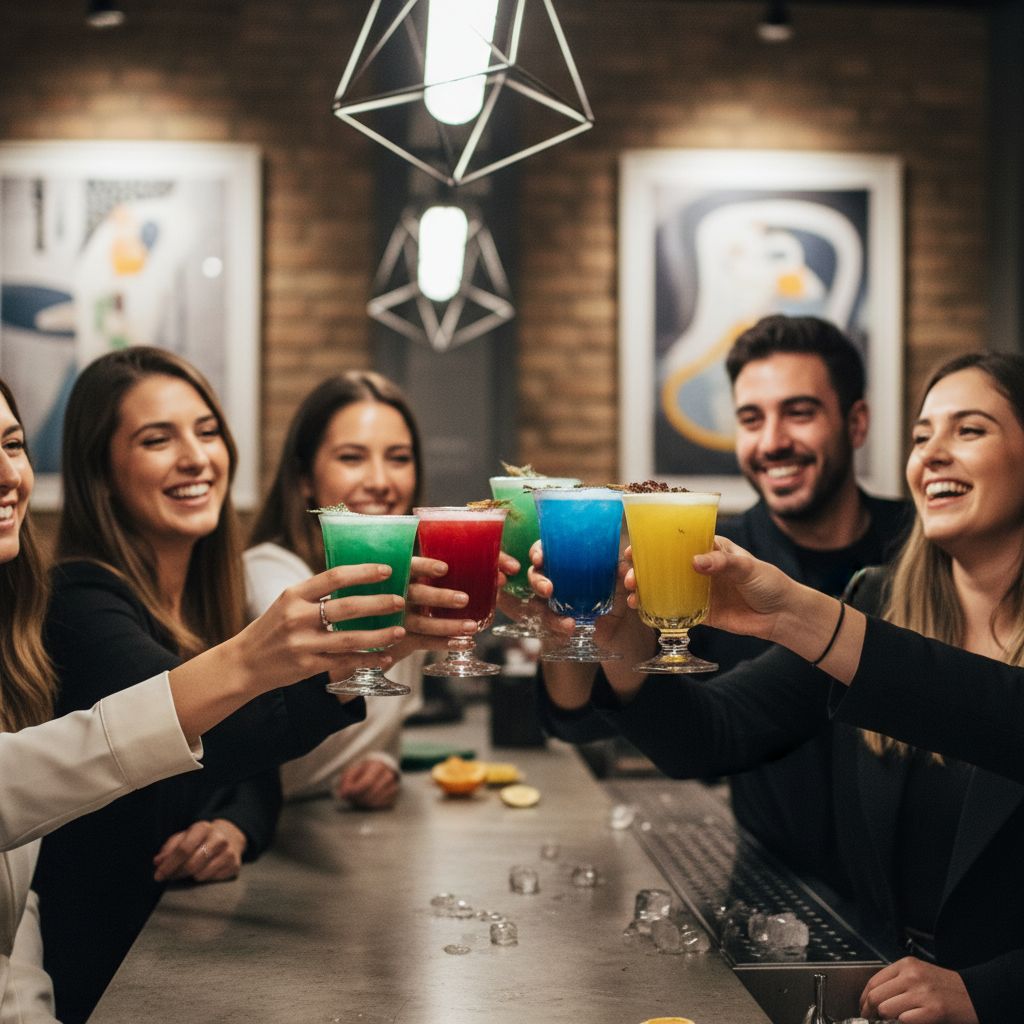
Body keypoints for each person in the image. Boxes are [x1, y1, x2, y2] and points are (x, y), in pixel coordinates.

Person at [540, 351, 1024, 1024]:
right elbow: (712, 736)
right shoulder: (878, 600)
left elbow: (993, 708)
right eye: (921, 436)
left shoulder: (857, 621)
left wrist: (990, 992)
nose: (933, 453)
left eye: (969, 430)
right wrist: (620, 635)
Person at [0, 373, 405, 1024]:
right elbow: (217, 738)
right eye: (157, 439)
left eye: (208, 431)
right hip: (104, 971)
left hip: (170, 955)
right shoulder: (80, 602)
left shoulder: (203, 604)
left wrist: (233, 825)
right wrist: (362, 653)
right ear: (100, 472)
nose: (195, 457)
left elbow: (252, 773)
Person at [545, 314, 910, 885]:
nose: (772, 442)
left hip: (913, 901)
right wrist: (576, 627)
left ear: (856, 422)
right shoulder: (708, 556)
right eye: (750, 419)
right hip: (774, 884)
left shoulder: (917, 552)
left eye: (799, 412)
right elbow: (595, 725)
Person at [245, 372, 479, 806]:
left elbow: (379, 726)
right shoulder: (270, 575)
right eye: (352, 457)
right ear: (304, 478)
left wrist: (382, 762)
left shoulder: (402, 588)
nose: (380, 481)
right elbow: (271, 729)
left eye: (398, 458)